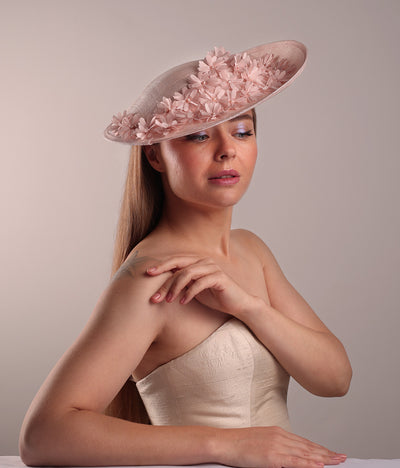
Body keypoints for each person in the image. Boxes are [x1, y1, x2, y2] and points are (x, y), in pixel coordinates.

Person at [19, 41, 352, 468]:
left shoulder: (252, 250)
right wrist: (227, 444)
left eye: (242, 130)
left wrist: (249, 307)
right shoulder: (153, 276)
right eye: (198, 135)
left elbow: (336, 379)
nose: (227, 149)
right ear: (155, 155)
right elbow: (43, 435)